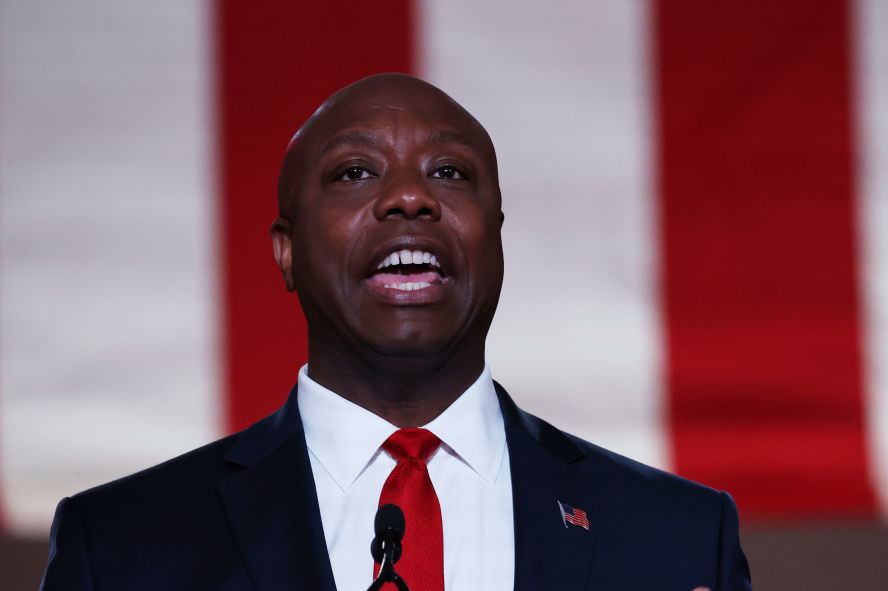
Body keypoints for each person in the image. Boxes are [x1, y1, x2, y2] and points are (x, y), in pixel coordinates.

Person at [40, 73, 752, 591]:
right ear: (285, 250)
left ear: (497, 236)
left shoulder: (681, 537)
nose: (410, 196)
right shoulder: (121, 547)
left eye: (449, 172)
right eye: (354, 172)